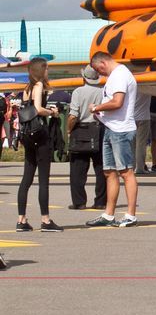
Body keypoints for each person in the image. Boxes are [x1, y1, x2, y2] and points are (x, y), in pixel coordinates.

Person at [85, 51, 140, 228]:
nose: (99, 74)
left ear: (102, 63)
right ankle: (108, 214)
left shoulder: (119, 75)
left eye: (98, 70)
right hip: (111, 127)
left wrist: (97, 108)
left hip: (121, 130)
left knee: (126, 172)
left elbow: (117, 102)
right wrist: (101, 113)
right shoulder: (115, 75)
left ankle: (131, 215)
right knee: (109, 172)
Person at [15, 57, 63, 232]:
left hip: (27, 135)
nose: (48, 71)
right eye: (46, 68)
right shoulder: (39, 85)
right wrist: (52, 112)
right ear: (41, 70)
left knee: (26, 178)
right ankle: (45, 220)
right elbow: (37, 109)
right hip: (39, 134)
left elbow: (27, 108)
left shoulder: (27, 88)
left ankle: (21, 219)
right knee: (43, 180)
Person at [67, 65, 107, 210]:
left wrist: (69, 129)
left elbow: (73, 115)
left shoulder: (78, 92)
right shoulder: (102, 92)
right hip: (99, 129)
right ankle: (101, 201)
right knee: (101, 168)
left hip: (81, 130)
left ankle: (79, 202)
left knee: (77, 169)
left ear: (84, 77)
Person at [132, 88, 152, 175]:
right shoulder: (147, 87)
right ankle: (140, 167)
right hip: (144, 117)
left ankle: (131, 167)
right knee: (141, 144)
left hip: (131, 117)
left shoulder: (130, 85)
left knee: (131, 145)